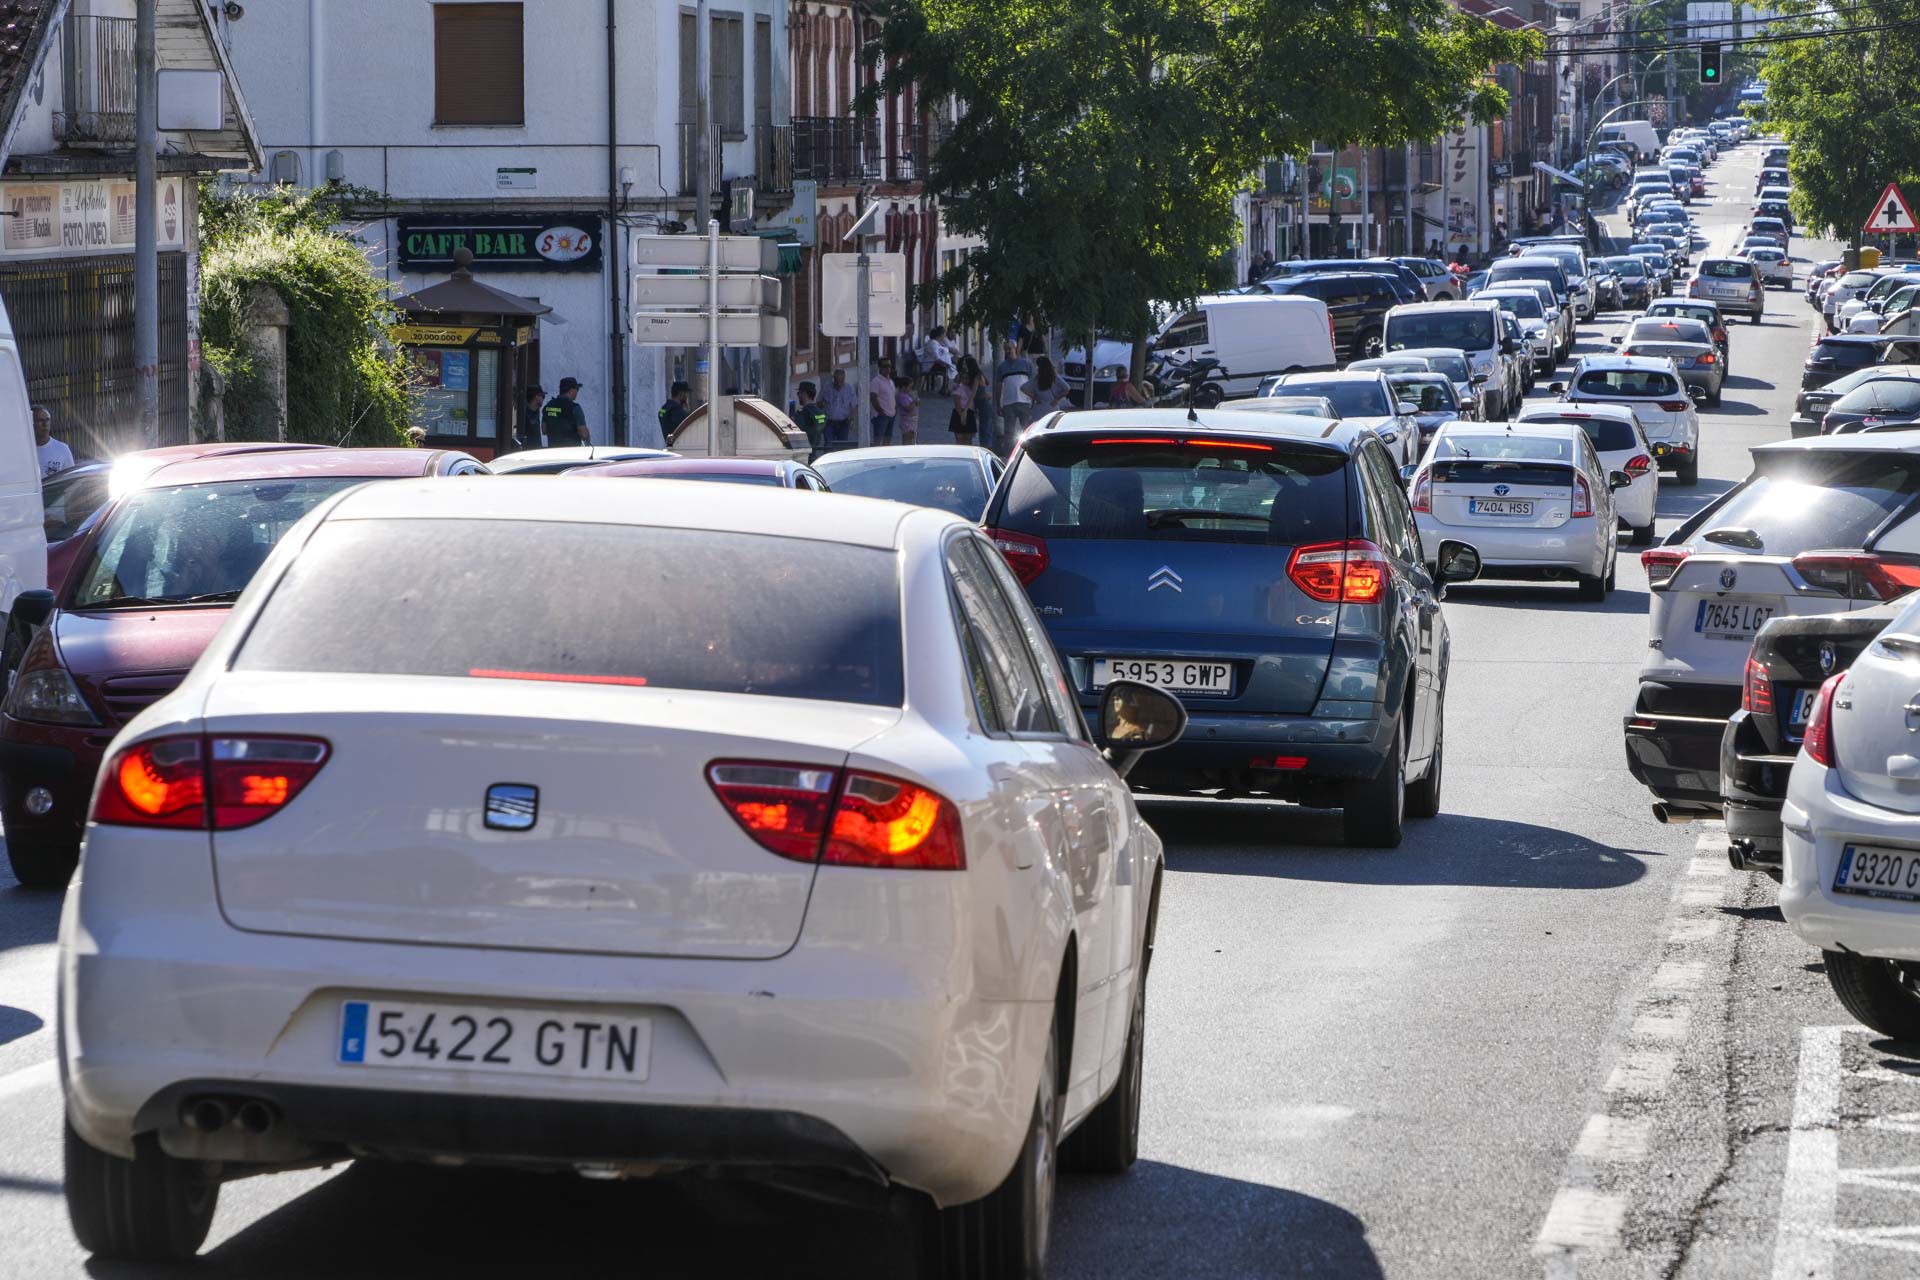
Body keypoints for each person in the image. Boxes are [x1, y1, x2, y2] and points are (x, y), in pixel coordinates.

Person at [994, 339, 1035, 450]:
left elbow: (1032, 382)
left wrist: (1033, 399)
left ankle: (1028, 450)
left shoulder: (1026, 364)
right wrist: (998, 404)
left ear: (1015, 349)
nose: (1008, 351)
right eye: (1006, 349)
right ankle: (1009, 453)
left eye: (1009, 349)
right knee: (1009, 432)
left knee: (1027, 429)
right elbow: (998, 386)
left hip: (1025, 401)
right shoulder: (1001, 367)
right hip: (1009, 403)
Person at [542, 377, 589, 447]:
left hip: (553, 450)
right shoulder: (575, 408)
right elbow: (584, 434)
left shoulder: (548, 406)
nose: (577, 392)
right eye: (577, 389)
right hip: (570, 450)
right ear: (571, 390)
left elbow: (544, 430)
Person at [949, 355, 984, 446]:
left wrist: (965, 411)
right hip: (959, 409)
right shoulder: (959, 376)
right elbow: (955, 393)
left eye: (965, 364)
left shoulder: (975, 377)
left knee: (968, 439)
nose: (964, 366)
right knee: (959, 438)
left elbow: (973, 394)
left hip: (969, 410)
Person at [31, 406, 71, 479]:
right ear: (31, 423)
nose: (45, 424)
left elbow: (70, 478)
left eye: (47, 420)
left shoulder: (62, 449)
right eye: (40, 420)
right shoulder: (24, 451)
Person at [821, 368, 859, 444]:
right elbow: (819, 402)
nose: (839, 384)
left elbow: (854, 405)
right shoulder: (826, 387)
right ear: (833, 379)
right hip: (829, 422)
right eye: (837, 381)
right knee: (828, 444)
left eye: (841, 381)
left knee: (842, 445)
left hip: (844, 422)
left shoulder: (849, 388)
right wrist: (822, 419)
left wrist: (851, 419)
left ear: (844, 379)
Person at [793, 380, 828, 454]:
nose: (798, 396)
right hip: (816, 449)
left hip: (803, 451)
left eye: (799, 393)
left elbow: (795, 432)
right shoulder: (820, 413)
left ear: (804, 394)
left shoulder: (802, 413)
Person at [869, 358, 897, 444]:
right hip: (881, 416)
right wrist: (880, 411)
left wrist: (895, 410)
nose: (887, 368)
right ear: (880, 367)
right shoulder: (876, 381)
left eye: (889, 366)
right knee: (878, 441)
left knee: (887, 441)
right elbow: (873, 397)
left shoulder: (891, 382)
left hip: (891, 416)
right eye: (885, 366)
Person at [919, 326, 954, 394]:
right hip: (930, 365)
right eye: (944, 334)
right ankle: (944, 388)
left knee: (949, 366)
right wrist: (945, 363)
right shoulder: (932, 343)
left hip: (934, 364)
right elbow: (936, 358)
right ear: (941, 335)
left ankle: (946, 387)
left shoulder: (937, 342)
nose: (945, 336)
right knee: (945, 367)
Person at [894, 373, 919, 444]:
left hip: (911, 421)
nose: (910, 389)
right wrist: (914, 401)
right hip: (907, 422)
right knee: (907, 439)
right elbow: (907, 408)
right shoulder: (902, 397)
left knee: (911, 439)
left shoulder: (907, 396)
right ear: (903, 387)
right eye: (909, 387)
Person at [519, 385, 546, 450]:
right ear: (536, 397)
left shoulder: (536, 411)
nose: (543, 399)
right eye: (542, 396)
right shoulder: (523, 414)